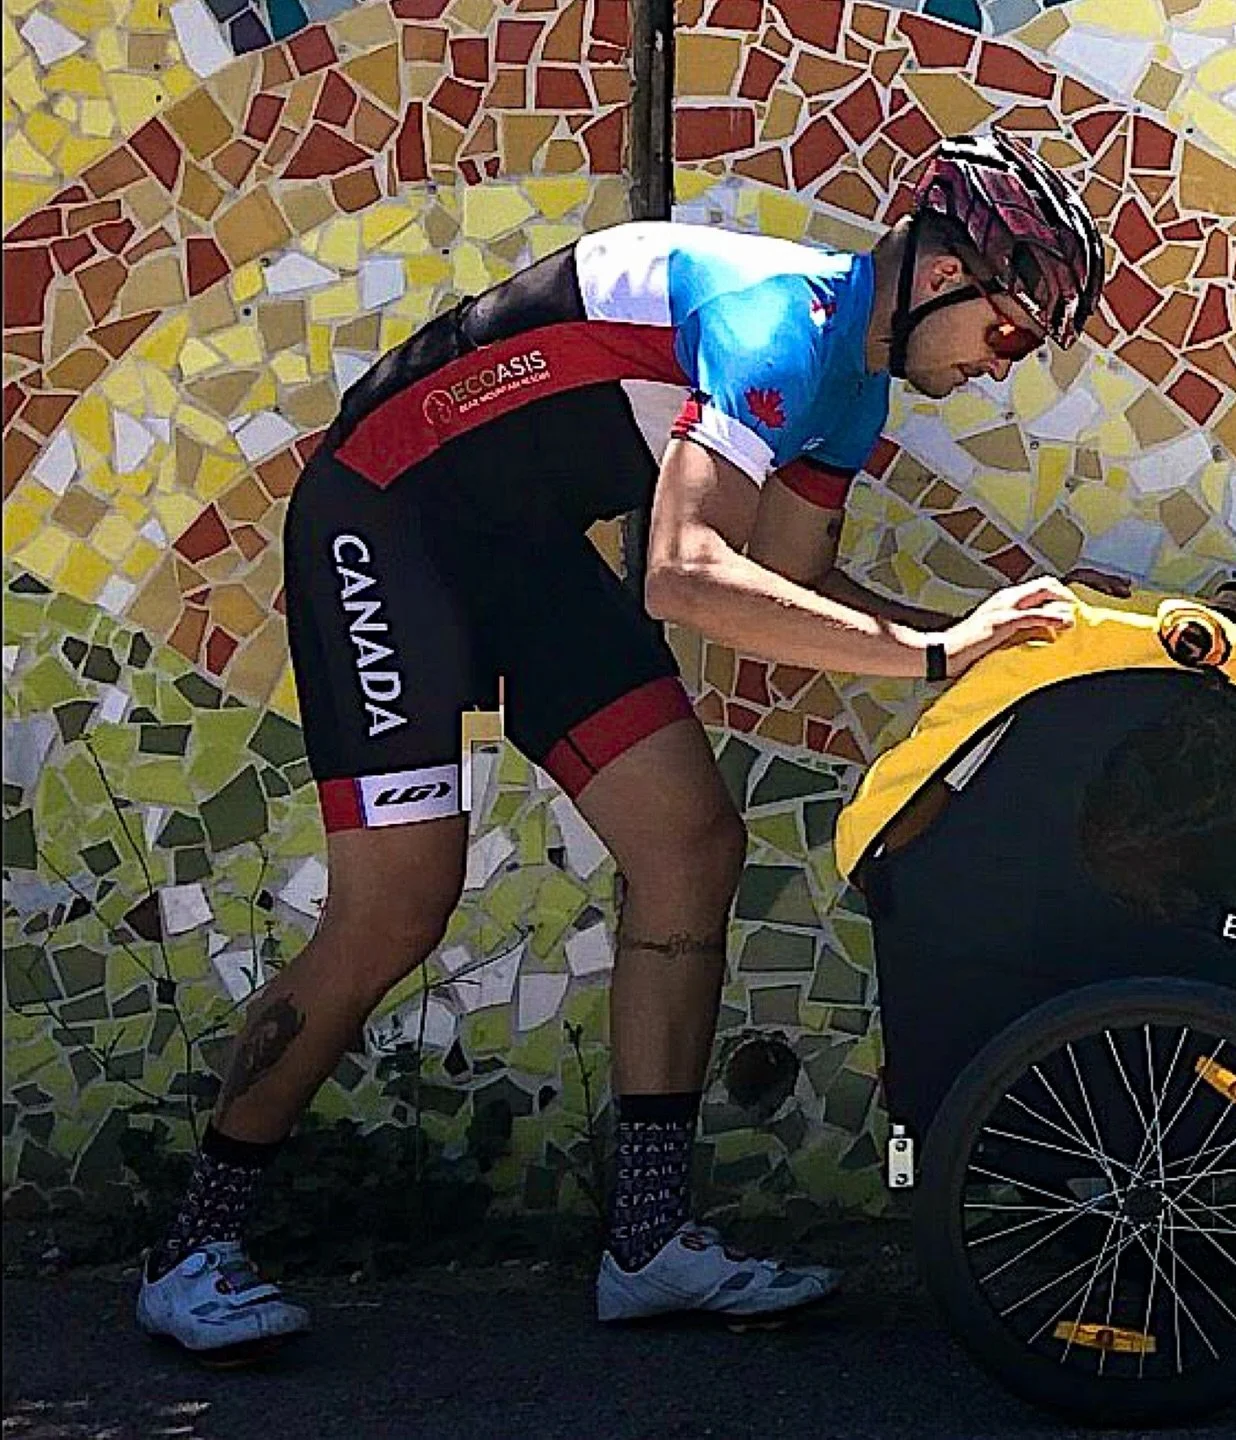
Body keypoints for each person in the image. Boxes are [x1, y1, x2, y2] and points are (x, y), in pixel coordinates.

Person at [136, 131, 1105, 1353]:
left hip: (522, 549)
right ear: (939, 273)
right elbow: (687, 575)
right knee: (397, 904)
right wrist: (935, 651)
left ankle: (649, 1244)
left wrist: (983, 638)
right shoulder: (776, 328)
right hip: (385, 517)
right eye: (1008, 334)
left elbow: (789, 591)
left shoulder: (850, 392)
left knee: (691, 847)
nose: (997, 366)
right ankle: (193, 1250)